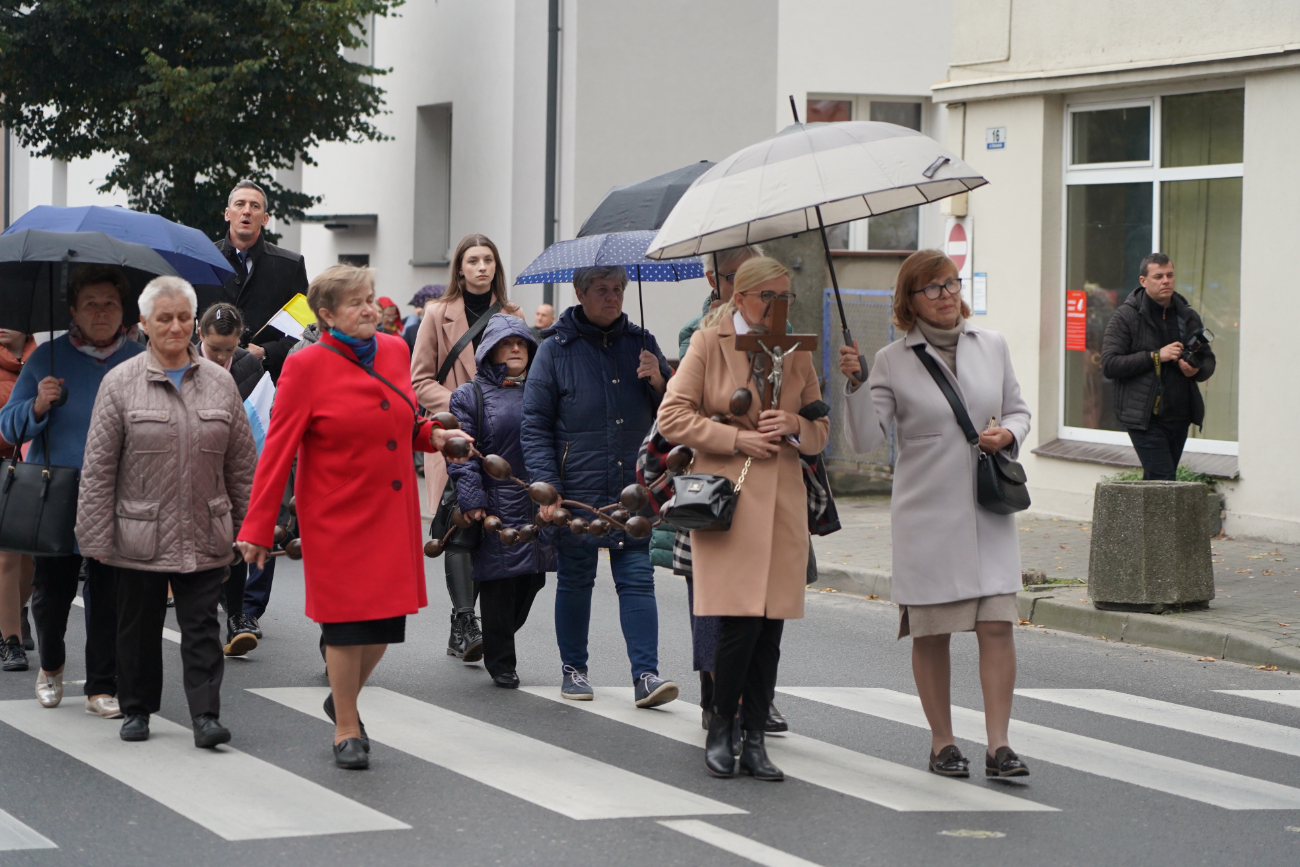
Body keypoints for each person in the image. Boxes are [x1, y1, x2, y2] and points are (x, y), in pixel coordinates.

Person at [238, 264, 470, 769]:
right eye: (356, 302)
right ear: (326, 315)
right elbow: (277, 451)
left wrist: (434, 436)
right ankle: (347, 726)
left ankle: (341, 697)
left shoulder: (393, 351)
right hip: (334, 514)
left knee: (384, 626)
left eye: (370, 298)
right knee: (345, 625)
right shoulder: (304, 366)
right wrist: (257, 527)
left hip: (390, 510)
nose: (370, 309)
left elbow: (404, 419)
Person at [840, 249, 1032, 780]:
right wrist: (854, 386)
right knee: (932, 633)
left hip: (987, 509)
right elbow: (863, 440)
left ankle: (1000, 745)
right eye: (933, 288)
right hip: (926, 516)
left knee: (997, 626)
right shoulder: (889, 360)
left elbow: (1018, 407)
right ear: (910, 300)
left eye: (951, 283)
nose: (947, 295)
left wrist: (1010, 433)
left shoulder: (991, 345)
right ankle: (942, 742)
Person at [657, 257, 828, 781]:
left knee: (770, 625)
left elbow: (821, 434)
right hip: (727, 502)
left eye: (785, 299)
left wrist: (794, 424)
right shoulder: (709, 343)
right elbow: (672, 416)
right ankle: (720, 729)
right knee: (737, 623)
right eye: (768, 298)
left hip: (781, 505)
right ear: (742, 297)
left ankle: (755, 738)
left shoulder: (795, 350)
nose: (777, 308)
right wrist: (737, 437)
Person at [77, 276, 257, 748]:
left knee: (201, 624)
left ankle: (205, 716)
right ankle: (137, 710)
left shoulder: (220, 383)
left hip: (206, 528)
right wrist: (94, 539)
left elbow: (241, 464)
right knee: (137, 627)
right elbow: (98, 468)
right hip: (140, 533)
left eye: (183, 318)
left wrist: (248, 526)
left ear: (194, 323)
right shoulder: (120, 384)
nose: (175, 327)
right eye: (164, 318)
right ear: (144, 324)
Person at [521, 264, 679, 707]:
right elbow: (534, 424)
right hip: (576, 485)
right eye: (603, 290)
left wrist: (660, 382)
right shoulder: (554, 349)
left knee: (637, 577)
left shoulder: (642, 344)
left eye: (618, 290)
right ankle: (574, 669)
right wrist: (546, 485)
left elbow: (672, 418)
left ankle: (646, 676)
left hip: (632, 484)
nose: (612, 297)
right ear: (580, 293)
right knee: (576, 578)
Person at [0, 265, 145, 717]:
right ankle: (52, 664)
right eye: (91, 305)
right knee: (51, 592)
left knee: (108, 593)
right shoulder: (48, 358)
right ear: (73, 311)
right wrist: (38, 404)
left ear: (124, 310)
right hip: (57, 491)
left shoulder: (140, 359)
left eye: (110, 304)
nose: (101, 313)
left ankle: (101, 686)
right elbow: (7, 426)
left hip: (118, 493)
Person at [656, 244, 766, 728]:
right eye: (735, 276)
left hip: (765, 480)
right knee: (710, 593)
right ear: (714, 281)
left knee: (763, 598)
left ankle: (756, 693)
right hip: (712, 481)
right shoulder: (697, 333)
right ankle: (715, 692)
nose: (747, 288)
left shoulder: (779, 337)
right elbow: (681, 413)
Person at [411, 235, 523, 662]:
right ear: (459, 268)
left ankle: (485, 622)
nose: (481, 267)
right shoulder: (437, 313)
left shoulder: (512, 314)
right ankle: (463, 622)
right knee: (461, 526)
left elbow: (523, 372)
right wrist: (463, 409)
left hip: (505, 440)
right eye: (473, 260)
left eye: (488, 260)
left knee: (494, 530)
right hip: (456, 438)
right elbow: (420, 380)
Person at [446, 314, 555, 688]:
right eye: (507, 343)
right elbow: (461, 452)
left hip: (538, 502)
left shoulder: (542, 390)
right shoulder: (468, 395)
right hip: (496, 505)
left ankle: (495, 636)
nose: (515, 349)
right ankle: (501, 661)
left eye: (522, 343)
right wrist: (473, 498)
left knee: (533, 581)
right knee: (500, 583)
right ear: (490, 351)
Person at [1100, 253, 1216, 481]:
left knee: (1160, 481)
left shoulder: (1187, 316)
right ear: (1143, 281)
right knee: (1163, 480)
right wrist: (1156, 356)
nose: (1166, 281)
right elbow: (1110, 364)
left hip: (1180, 414)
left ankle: (1141, 517)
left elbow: (1208, 360)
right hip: (1144, 417)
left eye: (1170, 275)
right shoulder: (1126, 316)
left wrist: (1196, 369)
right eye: (1158, 276)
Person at [197, 302, 265, 656]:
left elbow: (257, 411)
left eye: (229, 349)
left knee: (237, 540)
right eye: (214, 349)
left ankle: (237, 616)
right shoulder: (182, 363)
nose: (222, 356)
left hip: (235, 464)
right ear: (199, 334)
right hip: (193, 466)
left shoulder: (248, 364)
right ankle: (205, 611)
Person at [214, 179, 310, 382]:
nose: (246, 211)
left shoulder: (290, 266)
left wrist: (266, 352)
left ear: (265, 219)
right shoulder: (205, 259)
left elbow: (306, 329)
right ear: (227, 213)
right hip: (210, 377)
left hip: (267, 383)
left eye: (254, 206)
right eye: (240, 204)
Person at [0, 326, 37, 671]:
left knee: (28, 560)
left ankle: (12, 612)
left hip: (29, 469)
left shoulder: (42, 359)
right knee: (6, 558)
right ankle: (10, 640)